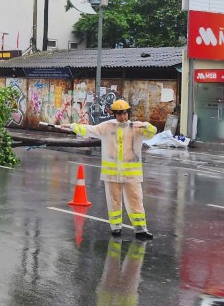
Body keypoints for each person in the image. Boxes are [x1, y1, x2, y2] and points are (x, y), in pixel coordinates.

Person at [61, 99, 158, 240]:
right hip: (112, 174)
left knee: (136, 200)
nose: (123, 117)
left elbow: (152, 132)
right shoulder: (107, 127)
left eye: (124, 113)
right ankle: (116, 227)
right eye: (119, 114)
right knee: (114, 201)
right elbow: (89, 130)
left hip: (132, 174)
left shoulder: (136, 128)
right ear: (114, 114)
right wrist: (71, 126)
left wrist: (146, 126)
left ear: (128, 113)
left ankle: (140, 229)